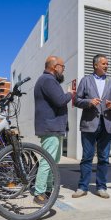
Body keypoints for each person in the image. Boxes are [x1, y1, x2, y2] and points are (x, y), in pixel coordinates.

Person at [72, 54, 111, 199]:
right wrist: (88, 102)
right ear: (95, 65)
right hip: (89, 124)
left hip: (106, 125)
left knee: (104, 158)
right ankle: (82, 187)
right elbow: (77, 100)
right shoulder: (86, 81)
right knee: (87, 157)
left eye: (107, 63)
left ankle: (101, 187)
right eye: (104, 64)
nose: (107, 66)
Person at [33, 56, 74, 205]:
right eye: (62, 66)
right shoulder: (48, 80)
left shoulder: (47, 80)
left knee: (53, 161)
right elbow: (60, 100)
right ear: (54, 67)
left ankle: (49, 190)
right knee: (47, 161)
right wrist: (71, 94)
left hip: (53, 127)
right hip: (50, 127)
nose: (63, 69)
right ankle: (39, 193)